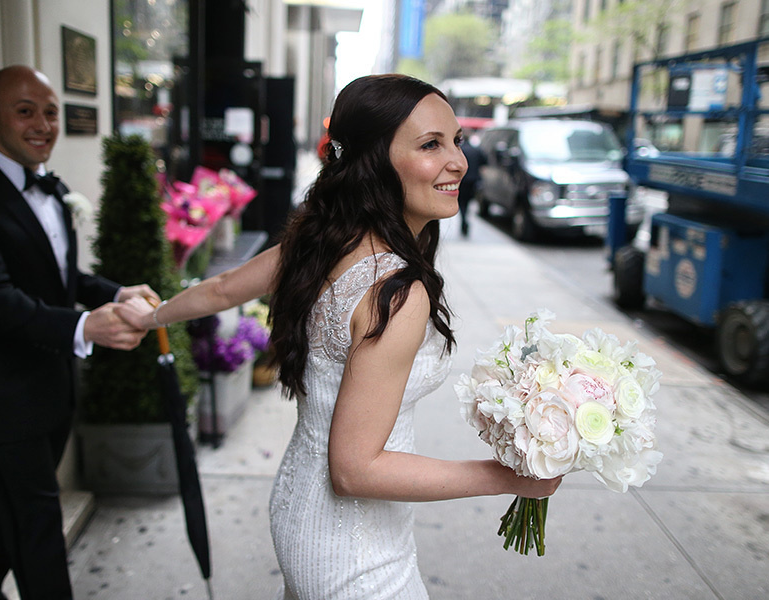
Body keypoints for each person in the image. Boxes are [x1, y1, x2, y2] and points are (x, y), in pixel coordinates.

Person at [119, 74, 561, 599]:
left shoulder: (320, 238)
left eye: (457, 141)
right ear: (374, 161)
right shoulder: (396, 293)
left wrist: (149, 317)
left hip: (304, 511)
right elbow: (354, 471)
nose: (459, 161)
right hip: (353, 551)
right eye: (430, 145)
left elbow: (221, 289)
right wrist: (509, 477)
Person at [0, 65, 157, 600]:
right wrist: (84, 325)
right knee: (37, 522)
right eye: (25, 111)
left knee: (16, 506)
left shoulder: (52, 188)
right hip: (2, 394)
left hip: (52, 383)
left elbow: (61, 276)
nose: (43, 125)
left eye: (50, 112)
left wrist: (114, 292)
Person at [457, 132, 487, 237]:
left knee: (462, 202)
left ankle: (464, 219)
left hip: (463, 180)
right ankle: (465, 219)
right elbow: (485, 162)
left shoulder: (461, 150)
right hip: (473, 180)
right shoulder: (476, 150)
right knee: (467, 202)